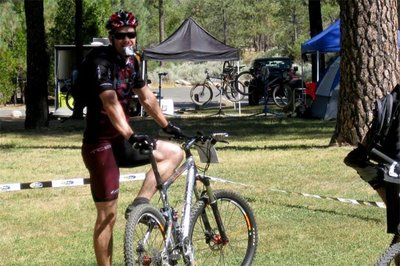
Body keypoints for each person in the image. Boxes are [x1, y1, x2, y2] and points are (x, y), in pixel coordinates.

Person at [80, 10, 184, 266]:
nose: (127, 40)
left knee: (174, 153)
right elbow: (110, 102)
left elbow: (146, 97)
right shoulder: (99, 61)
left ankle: (140, 205)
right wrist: (130, 134)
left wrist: (167, 125)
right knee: (108, 216)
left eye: (131, 35)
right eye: (121, 35)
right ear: (112, 36)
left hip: (122, 141)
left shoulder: (133, 61)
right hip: (100, 145)